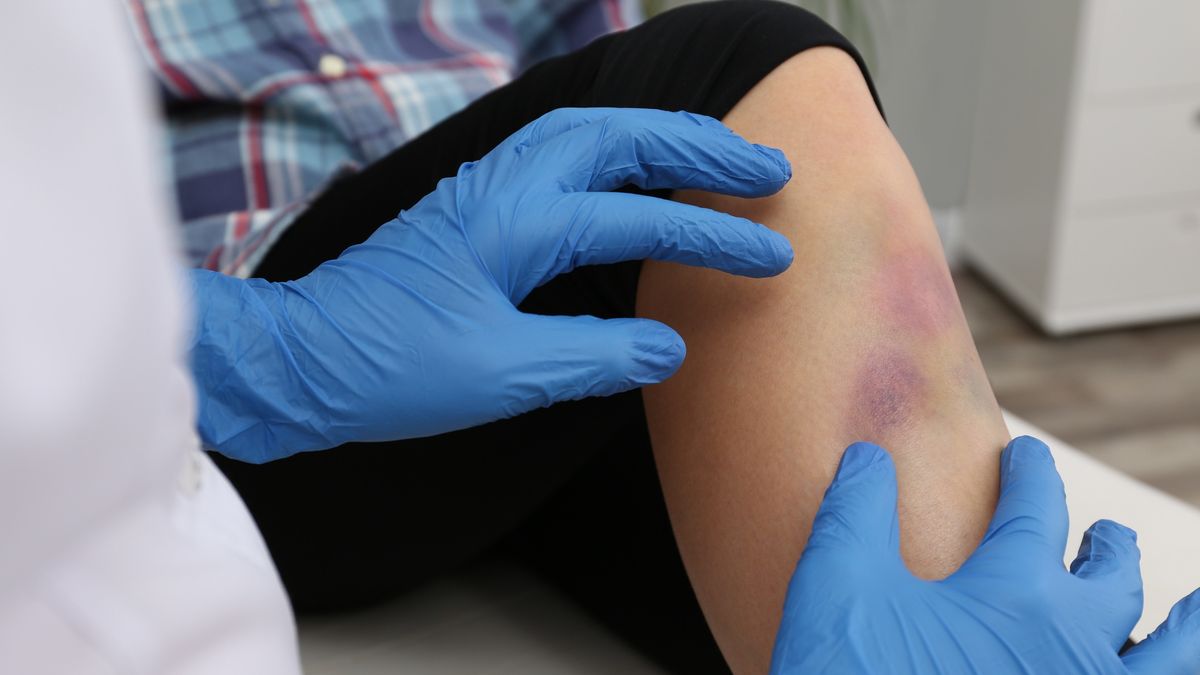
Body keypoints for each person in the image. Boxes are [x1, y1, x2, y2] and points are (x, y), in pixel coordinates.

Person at [2, 6, 1198, 670]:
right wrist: (258, 344)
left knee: (831, 598)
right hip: (236, 352)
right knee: (736, 70)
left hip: (498, 329)